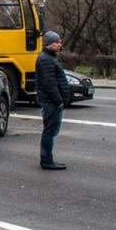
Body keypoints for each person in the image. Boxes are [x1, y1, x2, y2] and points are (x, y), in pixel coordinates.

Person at [35, 31, 71, 170]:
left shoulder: (49, 58)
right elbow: (49, 83)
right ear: (49, 43)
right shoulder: (46, 59)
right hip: (51, 102)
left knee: (51, 131)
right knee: (50, 131)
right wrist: (59, 101)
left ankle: (47, 159)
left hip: (51, 101)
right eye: (56, 42)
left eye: (59, 42)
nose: (59, 45)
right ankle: (46, 160)